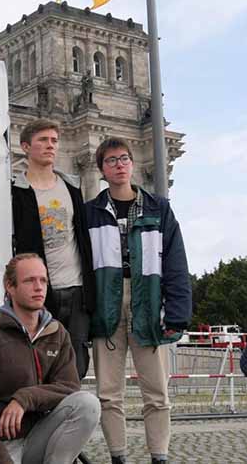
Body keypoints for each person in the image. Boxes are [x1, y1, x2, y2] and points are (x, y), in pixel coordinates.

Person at [85, 137, 191, 464]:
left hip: (147, 300)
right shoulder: (89, 213)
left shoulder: (159, 208)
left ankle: (159, 455)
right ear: (101, 169)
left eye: (124, 159)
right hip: (107, 303)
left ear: (131, 164)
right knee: (108, 393)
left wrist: (177, 313)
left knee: (157, 391)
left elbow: (175, 263)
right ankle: (119, 456)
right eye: (111, 160)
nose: (119, 165)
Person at [0, 253, 100, 464]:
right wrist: (0, 459)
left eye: (43, 280)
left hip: (40, 435)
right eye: (30, 280)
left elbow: (69, 387)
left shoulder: (57, 332)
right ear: (10, 287)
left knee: (87, 403)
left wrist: (25, 398)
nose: (39, 287)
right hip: (1, 445)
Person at [11, 118, 95, 379]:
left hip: (77, 288)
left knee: (76, 364)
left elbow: (82, 237)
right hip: (39, 291)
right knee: (38, 363)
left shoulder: (71, 186)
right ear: (25, 146)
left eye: (54, 141)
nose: (50, 146)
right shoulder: (15, 191)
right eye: (43, 140)